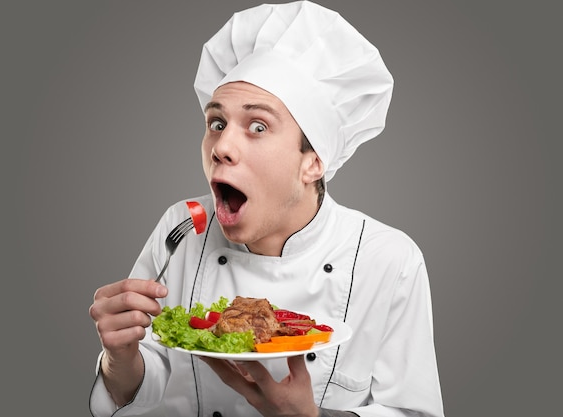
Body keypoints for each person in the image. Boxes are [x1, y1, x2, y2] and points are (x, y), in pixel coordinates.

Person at [88, 2, 445, 416]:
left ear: (313, 162)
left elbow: (412, 411)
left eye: (258, 127)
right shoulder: (182, 227)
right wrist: (120, 357)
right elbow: (145, 384)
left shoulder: (388, 258)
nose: (220, 147)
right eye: (217, 123)